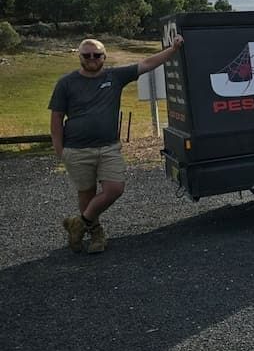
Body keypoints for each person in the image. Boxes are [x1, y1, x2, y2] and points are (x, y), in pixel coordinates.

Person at [49, 35, 184, 253]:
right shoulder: (66, 83)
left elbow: (147, 64)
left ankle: (78, 223)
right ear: (80, 57)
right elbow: (56, 119)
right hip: (76, 149)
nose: (92, 58)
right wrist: (60, 150)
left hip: (109, 147)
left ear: (104, 56)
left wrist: (174, 49)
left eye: (96, 55)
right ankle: (96, 235)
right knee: (87, 193)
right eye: (87, 55)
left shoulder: (115, 76)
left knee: (114, 189)